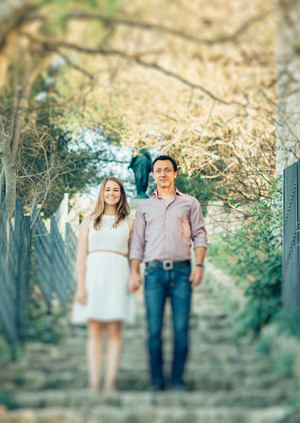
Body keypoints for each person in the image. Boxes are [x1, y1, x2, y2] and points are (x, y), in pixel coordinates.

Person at [128, 155, 208, 391]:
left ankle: (177, 379)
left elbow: (200, 235)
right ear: (153, 174)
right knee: (154, 330)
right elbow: (137, 243)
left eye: (167, 170)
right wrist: (134, 272)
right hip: (153, 275)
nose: (162, 174)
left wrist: (199, 266)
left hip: (182, 273)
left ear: (175, 173)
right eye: (158, 170)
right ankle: (156, 380)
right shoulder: (144, 207)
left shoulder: (190, 203)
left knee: (181, 330)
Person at [71, 177, 136, 392]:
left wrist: (135, 276)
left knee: (115, 330)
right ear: (101, 193)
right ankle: (94, 382)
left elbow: (134, 255)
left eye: (115, 190)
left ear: (121, 194)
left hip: (118, 275)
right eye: (107, 189)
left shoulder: (129, 223)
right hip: (94, 276)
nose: (111, 193)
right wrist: (80, 286)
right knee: (95, 330)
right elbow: (81, 256)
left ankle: (110, 383)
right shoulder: (89, 221)